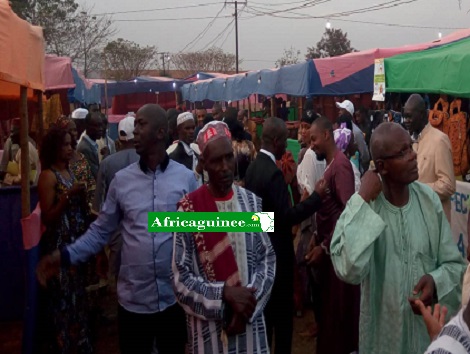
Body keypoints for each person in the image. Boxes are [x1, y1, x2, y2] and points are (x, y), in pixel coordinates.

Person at [37, 104, 199, 354]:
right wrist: (64, 256)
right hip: (133, 302)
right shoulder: (122, 181)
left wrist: (259, 222)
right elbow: (100, 231)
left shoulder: (185, 178)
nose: (135, 130)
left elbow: (201, 227)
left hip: (173, 300)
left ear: (161, 132)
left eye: (142, 124)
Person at [330, 122, 465, 354]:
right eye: (404, 152)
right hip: (382, 340)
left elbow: (455, 266)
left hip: (425, 340)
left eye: (411, 147)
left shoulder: (429, 202)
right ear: (381, 166)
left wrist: (435, 281)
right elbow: (347, 268)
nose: (414, 156)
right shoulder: (368, 207)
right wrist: (362, 198)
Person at [172, 120, 276, 354]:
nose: (225, 167)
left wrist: (247, 306)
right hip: (210, 332)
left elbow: (267, 258)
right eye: (216, 161)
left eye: (228, 157)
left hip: (250, 325)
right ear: (203, 164)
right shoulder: (187, 210)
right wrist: (224, 296)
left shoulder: (253, 202)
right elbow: (180, 279)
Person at [245, 117, 328, 354]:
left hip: (259, 250)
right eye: (283, 141)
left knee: (267, 317)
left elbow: (259, 216)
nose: (285, 146)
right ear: (276, 140)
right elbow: (286, 217)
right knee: (282, 321)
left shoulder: (253, 167)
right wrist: (316, 198)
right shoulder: (271, 172)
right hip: (277, 253)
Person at [305, 116, 360, 354]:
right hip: (329, 254)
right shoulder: (331, 165)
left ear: (327, 135)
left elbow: (348, 214)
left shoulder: (341, 165)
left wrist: (326, 246)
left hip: (337, 256)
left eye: (314, 139)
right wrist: (318, 235)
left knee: (339, 319)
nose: (311, 145)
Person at [36, 127, 93, 353]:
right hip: (59, 244)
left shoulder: (70, 172)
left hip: (75, 244)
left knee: (77, 299)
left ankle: (80, 342)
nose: (70, 149)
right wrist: (69, 195)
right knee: (62, 300)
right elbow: (48, 217)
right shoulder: (48, 176)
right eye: (65, 145)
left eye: (71, 144)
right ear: (54, 148)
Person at [92, 115, 140, 285]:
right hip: (146, 235)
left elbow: (97, 208)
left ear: (119, 139)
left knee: (119, 286)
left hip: (116, 237)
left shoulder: (107, 163)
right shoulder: (150, 160)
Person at [403, 94, 456, 223]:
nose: (406, 121)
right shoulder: (409, 140)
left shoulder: (439, 140)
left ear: (422, 114)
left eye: (410, 116)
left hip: (435, 221)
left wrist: (418, 189)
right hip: (415, 219)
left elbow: (448, 185)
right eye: (405, 116)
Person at [336, 99, 370, 173]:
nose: (339, 112)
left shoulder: (356, 132)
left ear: (348, 113)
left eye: (342, 110)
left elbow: (365, 156)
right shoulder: (336, 129)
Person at [0, 117, 37, 182]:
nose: (11, 135)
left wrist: (7, 178)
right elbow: (4, 166)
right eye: (11, 131)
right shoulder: (10, 141)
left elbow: (23, 179)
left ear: (22, 133)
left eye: (14, 132)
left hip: (21, 187)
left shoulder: (28, 147)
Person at [225, 118, 256, 186]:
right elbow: (255, 164)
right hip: (249, 183)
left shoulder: (228, 147)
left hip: (233, 185)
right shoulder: (250, 145)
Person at [77, 112, 103, 180]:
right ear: (87, 126)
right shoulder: (85, 148)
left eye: (101, 125)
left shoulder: (91, 144)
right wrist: (106, 157)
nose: (100, 129)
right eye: (96, 126)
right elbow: (96, 175)